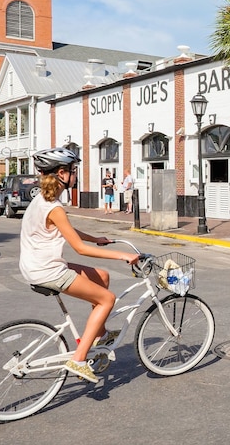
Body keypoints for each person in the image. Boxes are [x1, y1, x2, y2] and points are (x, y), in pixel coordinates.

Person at [19, 148, 140, 383]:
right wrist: (122, 256)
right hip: (47, 270)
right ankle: (79, 359)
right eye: (73, 171)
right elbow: (80, 249)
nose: (76, 176)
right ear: (62, 173)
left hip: (39, 265)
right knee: (107, 299)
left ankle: (101, 335)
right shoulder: (54, 207)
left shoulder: (43, 200)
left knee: (102, 278)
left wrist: (97, 239)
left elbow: (67, 231)